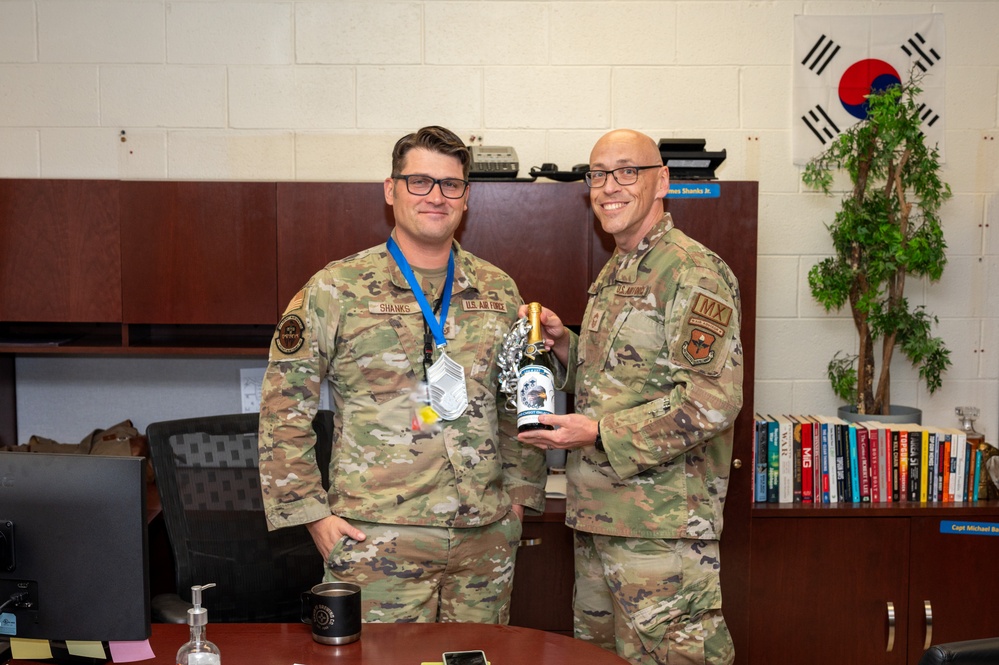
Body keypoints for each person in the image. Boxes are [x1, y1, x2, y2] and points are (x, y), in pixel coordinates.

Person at [258, 125, 546, 624]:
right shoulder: (336, 289)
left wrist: (519, 500)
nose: (436, 196)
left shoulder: (497, 289)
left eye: (450, 184)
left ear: (466, 198)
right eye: (419, 182)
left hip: (483, 539)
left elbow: (514, 401)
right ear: (391, 191)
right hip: (376, 537)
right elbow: (284, 406)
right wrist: (313, 516)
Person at [518, 129, 743, 664]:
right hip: (602, 520)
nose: (608, 186)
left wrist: (598, 432)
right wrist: (565, 347)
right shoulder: (618, 269)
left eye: (626, 171)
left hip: (662, 535)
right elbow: (624, 381)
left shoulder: (691, 271)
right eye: (598, 174)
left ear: (661, 180)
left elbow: (712, 399)